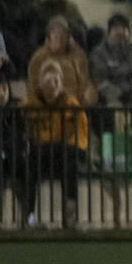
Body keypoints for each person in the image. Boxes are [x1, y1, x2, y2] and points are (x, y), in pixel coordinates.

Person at [22, 58, 89, 228]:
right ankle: (28, 216)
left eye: (56, 81)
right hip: (39, 154)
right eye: (48, 81)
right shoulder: (29, 104)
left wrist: (73, 148)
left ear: (61, 82)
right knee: (28, 167)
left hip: (63, 154)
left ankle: (71, 214)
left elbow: (80, 135)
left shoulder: (71, 104)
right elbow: (23, 131)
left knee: (70, 164)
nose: (52, 86)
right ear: (41, 83)